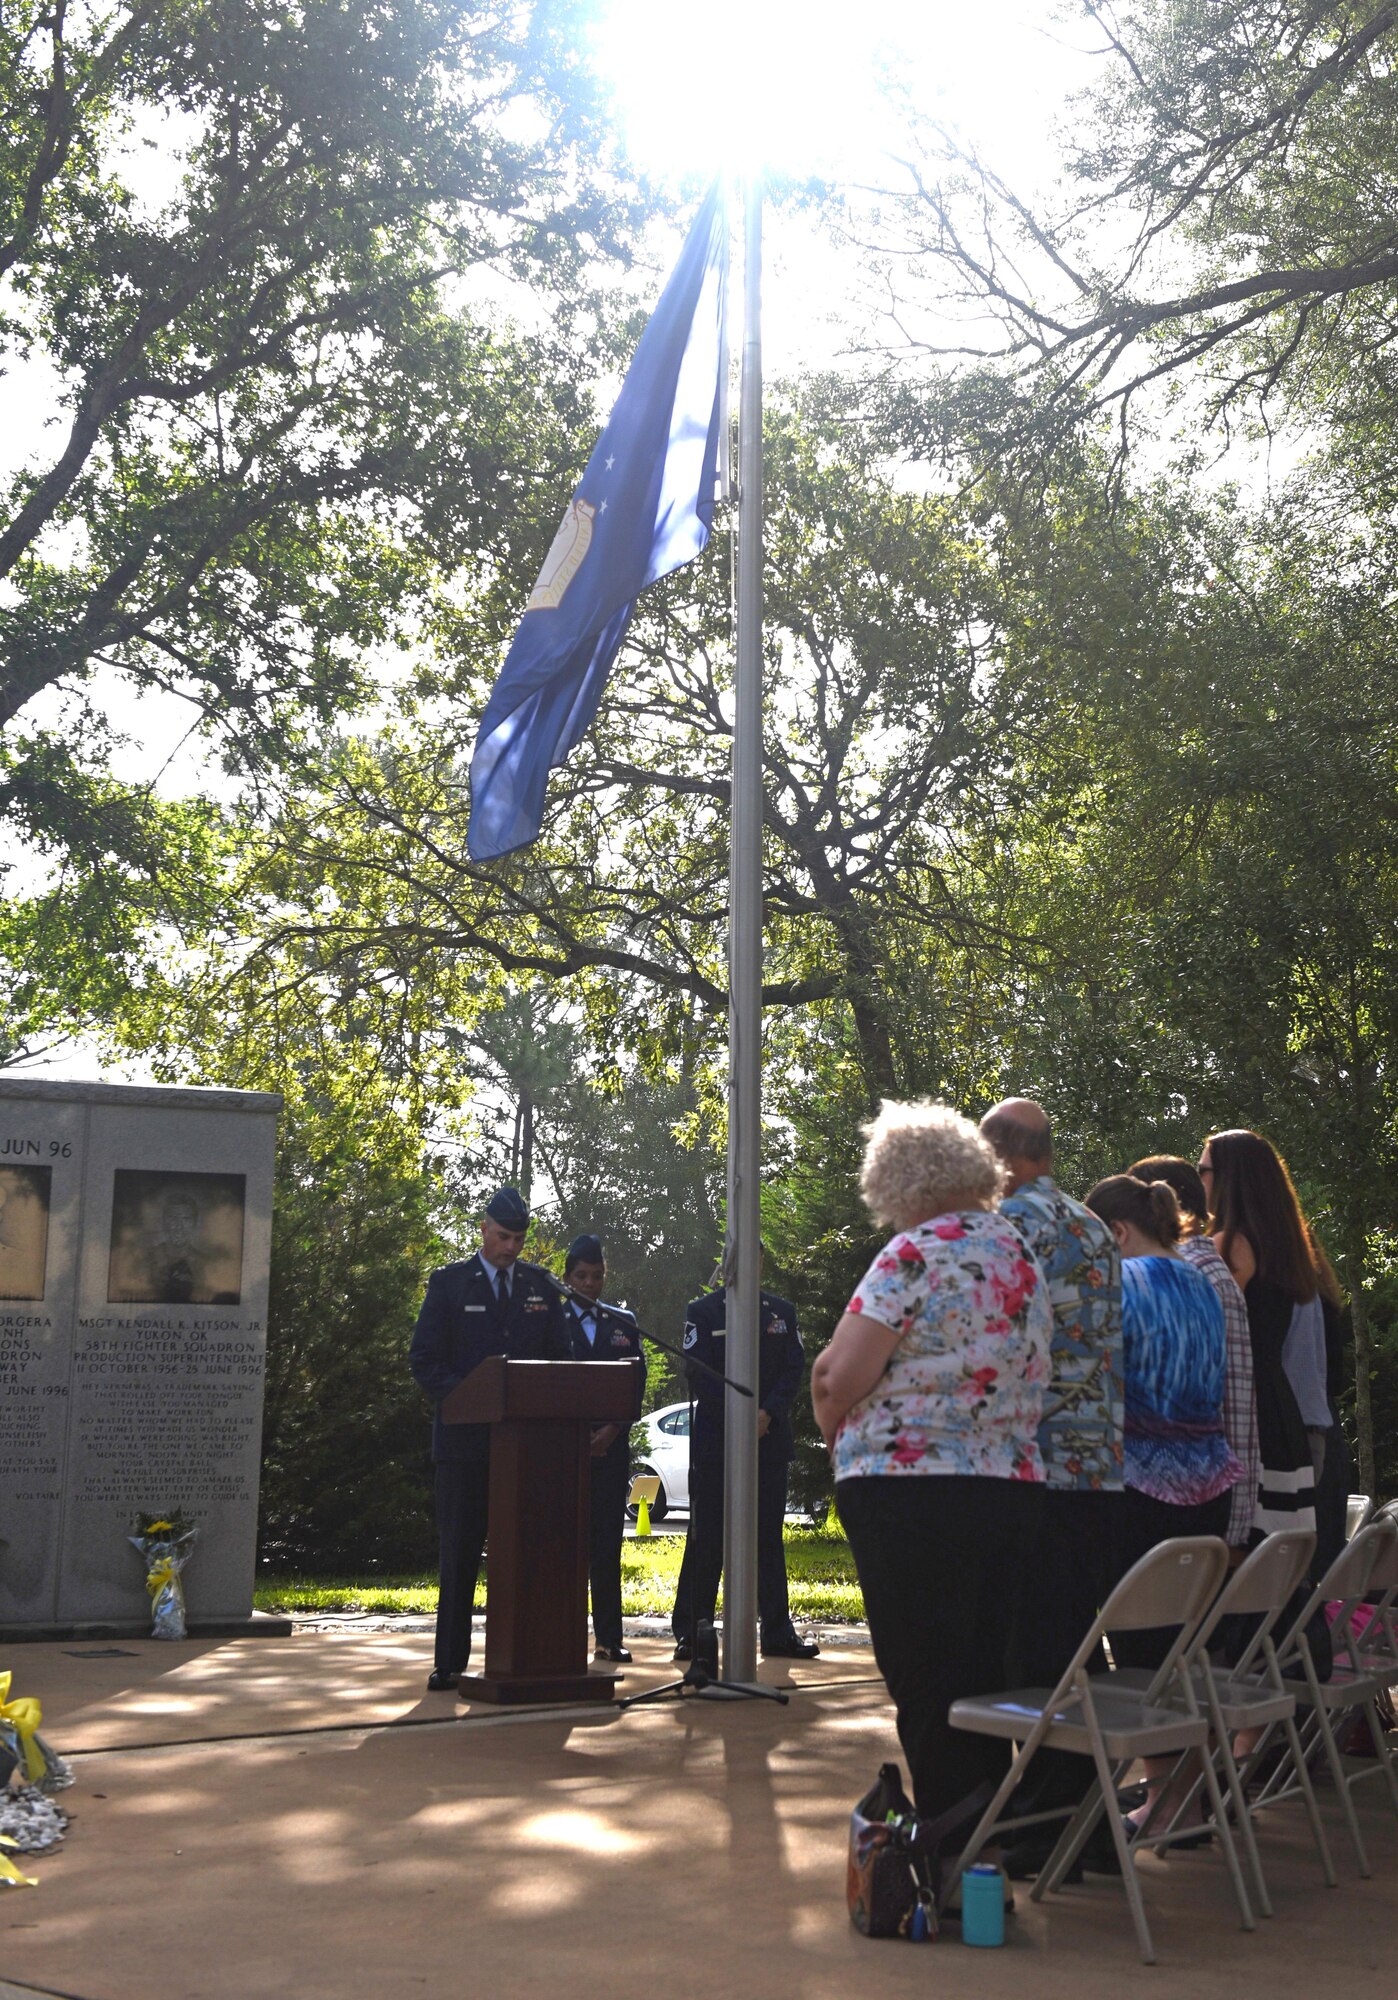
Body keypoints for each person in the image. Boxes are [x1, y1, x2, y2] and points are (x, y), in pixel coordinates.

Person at [812, 1100, 1050, 1856]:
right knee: (981, 1675)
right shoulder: (1016, 1252)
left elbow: (836, 1375)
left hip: (909, 1489)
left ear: (896, 1180)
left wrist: (832, 1434)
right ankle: (984, 1842)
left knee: (924, 1676)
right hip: (1009, 1486)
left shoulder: (914, 1253)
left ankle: (948, 1853)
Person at [977, 1098, 1123, 1874]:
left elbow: (1001, 1346)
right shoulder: (1095, 1225)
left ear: (999, 1155)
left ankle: (1045, 1829)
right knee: (1072, 1651)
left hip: (1036, 1468)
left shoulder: (1011, 1230)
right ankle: (1088, 1822)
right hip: (1099, 1468)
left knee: (1030, 1660)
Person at [408, 1186, 571, 1693]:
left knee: (524, 1551)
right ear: (483, 1228)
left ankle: (520, 1655)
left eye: (519, 1239)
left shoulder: (540, 1287)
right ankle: (450, 1662)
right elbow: (424, 1360)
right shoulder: (451, 1284)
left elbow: (558, 1361)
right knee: (459, 1553)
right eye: (503, 1237)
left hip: (524, 1450)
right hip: (464, 1448)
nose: (511, 1248)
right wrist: (464, 1400)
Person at [670, 1248, 818, 1662]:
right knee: (706, 1539)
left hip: (768, 1440)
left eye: (756, 1263)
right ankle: (692, 1631)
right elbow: (696, 1371)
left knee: (767, 1538)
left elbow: (794, 1368)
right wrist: (737, 1416)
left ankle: (776, 1631)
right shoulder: (703, 1312)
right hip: (717, 1442)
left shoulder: (781, 1313)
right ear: (728, 1269)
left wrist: (767, 1413)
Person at [1128, 1155, 1260, 1556]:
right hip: (1206, 1493)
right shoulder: (1207, 1273)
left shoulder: (1197, 1278)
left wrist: (1236, 1528)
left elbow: (1234, 1405)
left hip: (1183, 1496)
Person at [1198, 1131, 1318, 1540]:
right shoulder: (1286, 1244)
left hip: (1245, 1411)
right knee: (1279, 1561)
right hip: (1280, 1408)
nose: (1199, 1181)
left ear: (1230, 1177)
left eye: (1203, 1171)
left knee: (1241, 1553)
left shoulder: (1228, 1246)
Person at [562, 1232, 645, 1664]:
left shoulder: (622, 1322)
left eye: (596, 1276)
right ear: (568, 1276)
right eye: (581, 1276)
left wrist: (612, 1429)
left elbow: (636, 1384)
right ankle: (560, 1637)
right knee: (565, 1547)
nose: (590, 1284)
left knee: (607, 1546)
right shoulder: (551, 1322)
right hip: (563, 1454)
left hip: (609, 1453)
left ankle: (609, 1638)